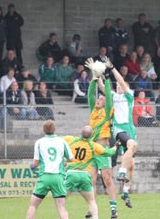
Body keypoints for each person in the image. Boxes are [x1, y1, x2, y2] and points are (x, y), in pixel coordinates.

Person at [87, 57, 137, 208]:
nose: (119, 86)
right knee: (129, 149)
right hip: (117, 129)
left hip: (129, 129)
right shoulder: (113, 96)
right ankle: (114, 173)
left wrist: (112, 68)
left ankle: (126, 193)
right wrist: (98, 73)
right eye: (117, 86)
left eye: (121, 86)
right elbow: (103, 87)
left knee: (132, 164)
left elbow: (121, 81)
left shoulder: (129, 96)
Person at [63, 126, 119, 219]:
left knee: (61, 201)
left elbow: (58, 139)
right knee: (92, 201)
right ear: (92, 135)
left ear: (81, 132)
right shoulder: (93, 146)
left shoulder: (71, 140)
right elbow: (108, 152)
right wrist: (116, 146)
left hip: (72, 174)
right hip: (84, 175)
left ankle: (62, 216)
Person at [86, 75, 119, 218]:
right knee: (91, 180)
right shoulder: (93, 110)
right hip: (92, 149)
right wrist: (93, 79)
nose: (98, 100)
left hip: (103, 150)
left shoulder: (107, 111)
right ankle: (92, 207)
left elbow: (109, 97)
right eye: (98, 99)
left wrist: (105, 79)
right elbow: (90, 95)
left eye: (101, 99)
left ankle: (113, 209)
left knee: (107, 179)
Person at [26, 120, 73, 219]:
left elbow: (35, 163)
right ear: (54, 129)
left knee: (33, 205)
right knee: (61, 207)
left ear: (43, 130)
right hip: (58, 177)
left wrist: (32, 166)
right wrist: (63, 161)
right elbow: (71, 158)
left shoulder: (39, 142)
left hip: (45, 177)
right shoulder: (62, 141)